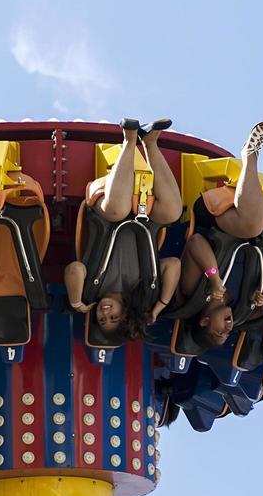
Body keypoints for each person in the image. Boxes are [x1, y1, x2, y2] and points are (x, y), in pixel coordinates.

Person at [168, 121, 263, 350]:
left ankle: (250, 155)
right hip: (247, 227)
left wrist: (214, 279)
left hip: (213, 218)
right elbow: (262, 255)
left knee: (252, 225)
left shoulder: (192, 290)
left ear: (205, 321)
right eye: (228, 334)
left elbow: (196, 243)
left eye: (219, 332)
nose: (228, 328)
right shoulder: (241, 303)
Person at [65, 117, 184, 342]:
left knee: (117, 210)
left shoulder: (91, 291)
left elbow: (75, 269)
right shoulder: (144, 293)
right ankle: (150, 142)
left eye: (101, 319)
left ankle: (129, 139)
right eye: (114, 317)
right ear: (127, 314)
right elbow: (173, 265)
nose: (106, 313)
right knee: (172, 213)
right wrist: (161, 304)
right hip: (144, 216)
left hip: (106, 213)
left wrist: (76, 302)